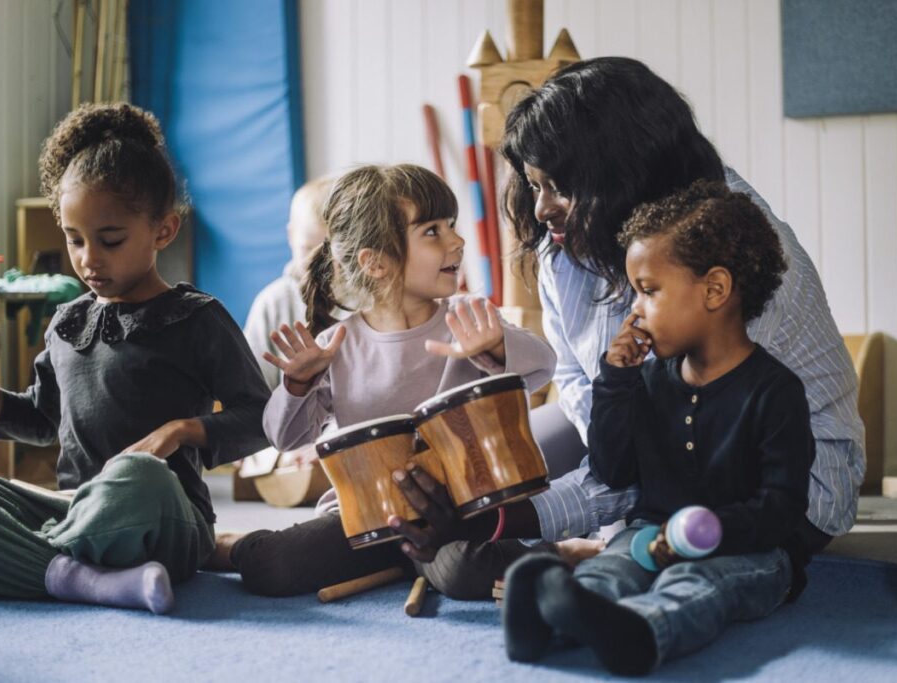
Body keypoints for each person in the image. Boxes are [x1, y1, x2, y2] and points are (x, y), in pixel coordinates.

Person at [391, 56, 863, 592]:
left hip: (757, 483)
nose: (542, 209)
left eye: (557, 187)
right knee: (466, 481)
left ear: (620, 175)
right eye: (534, 185)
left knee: (479, 537)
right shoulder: (570, 242)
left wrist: (518, 516)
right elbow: (575, 382)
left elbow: (659, 465)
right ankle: (534, 545)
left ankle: (575, 557)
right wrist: (492, 493)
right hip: (633, 436)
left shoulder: (722, 258)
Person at [0, 103, 270, 613]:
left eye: (109, 240)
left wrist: (184, 430)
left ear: (163, 231)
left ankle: (14, 562)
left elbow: (261, 420)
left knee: (139, 475)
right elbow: (42, 421)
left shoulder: (195, 318)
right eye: (74, 240)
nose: (89, 258)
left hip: (163, 511)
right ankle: (76, 572)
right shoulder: (67, 322)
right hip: (76, 508)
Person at [503, 180, 815, 675]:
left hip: (750, 551)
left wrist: (702, 536)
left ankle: (641, 633)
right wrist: (616, 380)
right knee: (612, 567)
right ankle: (550, 619)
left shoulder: (775, 392)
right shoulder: (648, 379)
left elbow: (780, 509)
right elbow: (614, 468)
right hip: (649, 535)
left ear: (715, 290)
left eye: (648, 291)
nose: (636, 309)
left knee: (696, 586)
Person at [216, 163, 557, 596]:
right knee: (270, 566)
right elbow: (282, 438)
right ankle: (224, 546)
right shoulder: (336, 344)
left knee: (462, 572)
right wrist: (296, 386)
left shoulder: (467, 318)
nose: (457, 240)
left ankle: (560, 555)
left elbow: (544, 366)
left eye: (451, 225)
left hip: (457, 516)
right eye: (432, 231)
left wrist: (493, 347)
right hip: (366, 519)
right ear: (375, 262)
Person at [244, 176, 335, 392]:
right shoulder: (272, 303)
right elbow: (254, 388)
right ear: (291, 236)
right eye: (307, 249)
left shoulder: (364, 297)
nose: (318, 265)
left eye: (329, 253)